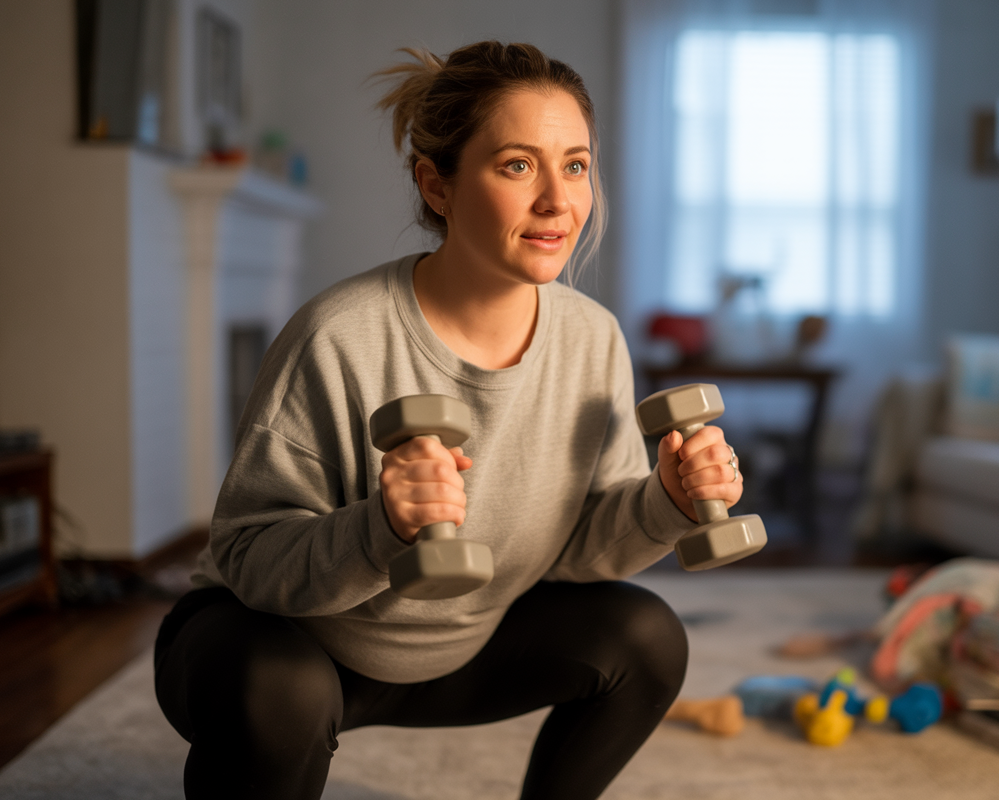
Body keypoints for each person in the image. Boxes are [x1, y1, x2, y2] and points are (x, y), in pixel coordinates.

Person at [153, 41, 745, 800]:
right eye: (516, 165)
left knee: (648, 637)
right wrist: (384, 529)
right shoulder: (338, 334)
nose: (558, 202)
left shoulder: (593, 338)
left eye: (574, 164)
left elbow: (581, 549)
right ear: (437, 185)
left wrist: (665, 499)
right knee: (283, 691)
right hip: (286, 643)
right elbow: (250, 560)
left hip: (463, 646)